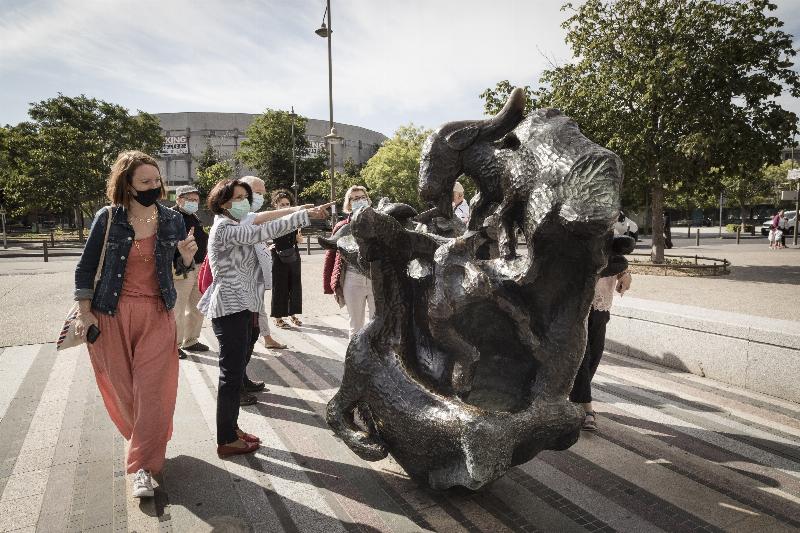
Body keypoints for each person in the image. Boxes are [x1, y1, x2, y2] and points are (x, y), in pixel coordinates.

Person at [73, 150, 197, 498]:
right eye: (145, 182)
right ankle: (146, 441)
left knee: (153, 391)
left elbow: (176, 268)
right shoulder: (108, 218)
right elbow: (85, 269)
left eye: (157, 181)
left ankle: (142, 466)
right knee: (125, 392)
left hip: (157, 314)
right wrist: (85, 313)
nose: (153, 188)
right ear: (126, 184)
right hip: (110, 314)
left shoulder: (172, 219)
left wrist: (185, 258)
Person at [197, 178, 330, 458]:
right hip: (230, 308)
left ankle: (231, 429)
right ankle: (226, 438)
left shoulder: (236, 223)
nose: (246, 202)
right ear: (223, 203)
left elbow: (261, 218)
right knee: (230, 377)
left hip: (243, 306)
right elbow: (264, 230)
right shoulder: (224, 229)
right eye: (239, 197)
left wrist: (295, 210)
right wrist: (303, 216)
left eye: (247, 196)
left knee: (233, 373)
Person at [570, 269, 632, 431]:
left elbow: (615, 250)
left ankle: (575, 398)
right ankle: (586, 408)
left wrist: (625, 273)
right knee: (582, 354)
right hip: (575, 295)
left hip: (602, 299)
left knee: (595, 354)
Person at [238, 176, 288, 351]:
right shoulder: (237, 215)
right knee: (246, 314)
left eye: (262, 193)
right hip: (242, 278)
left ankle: (265, 338)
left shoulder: (249, 215)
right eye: (258, 193)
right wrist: (299, 212)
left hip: (256, 275)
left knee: (258, 307)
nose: (261, 197)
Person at [322, 185, 375, 338]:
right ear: (349, 203)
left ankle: (376, 360)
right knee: (355, 325)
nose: (360, 200)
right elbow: (331, 255)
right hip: (352, 279)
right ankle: (355, 360)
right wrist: (330, 284)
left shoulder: (378, 222)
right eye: (355, 198)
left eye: (362, 197)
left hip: (375, 279)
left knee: (377, 323)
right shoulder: (342, 226)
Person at [171, 185, 209, 359]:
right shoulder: (171, 216)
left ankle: (191, 340)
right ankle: (174, 344)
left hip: (200, 265)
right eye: (190, 199)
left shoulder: (193, 216)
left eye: (196, 200)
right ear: (179, 199)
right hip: (181, 265)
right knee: (178, 306)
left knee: (197, 305)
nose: (194, 202)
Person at [270, 190, 305, 330]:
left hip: (293, 253)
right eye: (282, 204)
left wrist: (299, 238)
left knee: (295, 284)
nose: (285, 206)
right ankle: (278, 317)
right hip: (278, 254)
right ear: (275, 206)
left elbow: (298, 237)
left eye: (288, 204)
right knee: (279, 285)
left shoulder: (294, 218)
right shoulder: (272, 219)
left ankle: (293, 313)